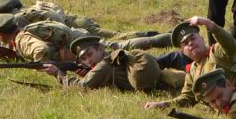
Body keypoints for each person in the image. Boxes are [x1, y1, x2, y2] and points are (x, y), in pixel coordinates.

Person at [147, 16, 236, 111]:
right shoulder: (192, 71)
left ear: (202, 39)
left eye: (193, 38)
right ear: (183, 52)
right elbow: (187, 98)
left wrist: (209, 24)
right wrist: (163, 104)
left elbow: (230, 45)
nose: (190, 43)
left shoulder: (217, 52)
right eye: (185, 44)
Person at [45, 36, 185, 93]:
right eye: (84, 58)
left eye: (90, 54)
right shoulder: (112, 56)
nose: (88, 61)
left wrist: (58, 74)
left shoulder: (104, 65)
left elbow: (81, 87)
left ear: (101, 49)